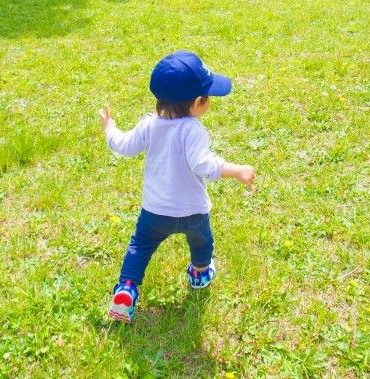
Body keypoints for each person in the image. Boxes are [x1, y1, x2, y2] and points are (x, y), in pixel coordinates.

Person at [100, 51, 255, 323]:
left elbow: (123, 146)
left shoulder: (149, 124)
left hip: (155, 212)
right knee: (202, 242)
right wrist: (237, 170)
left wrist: (110, 128)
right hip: (193, 212)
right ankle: (200, 273)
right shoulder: (192, 130)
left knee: (140, 247)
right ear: (197, 103)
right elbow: (205, 165)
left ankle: (126, 289)